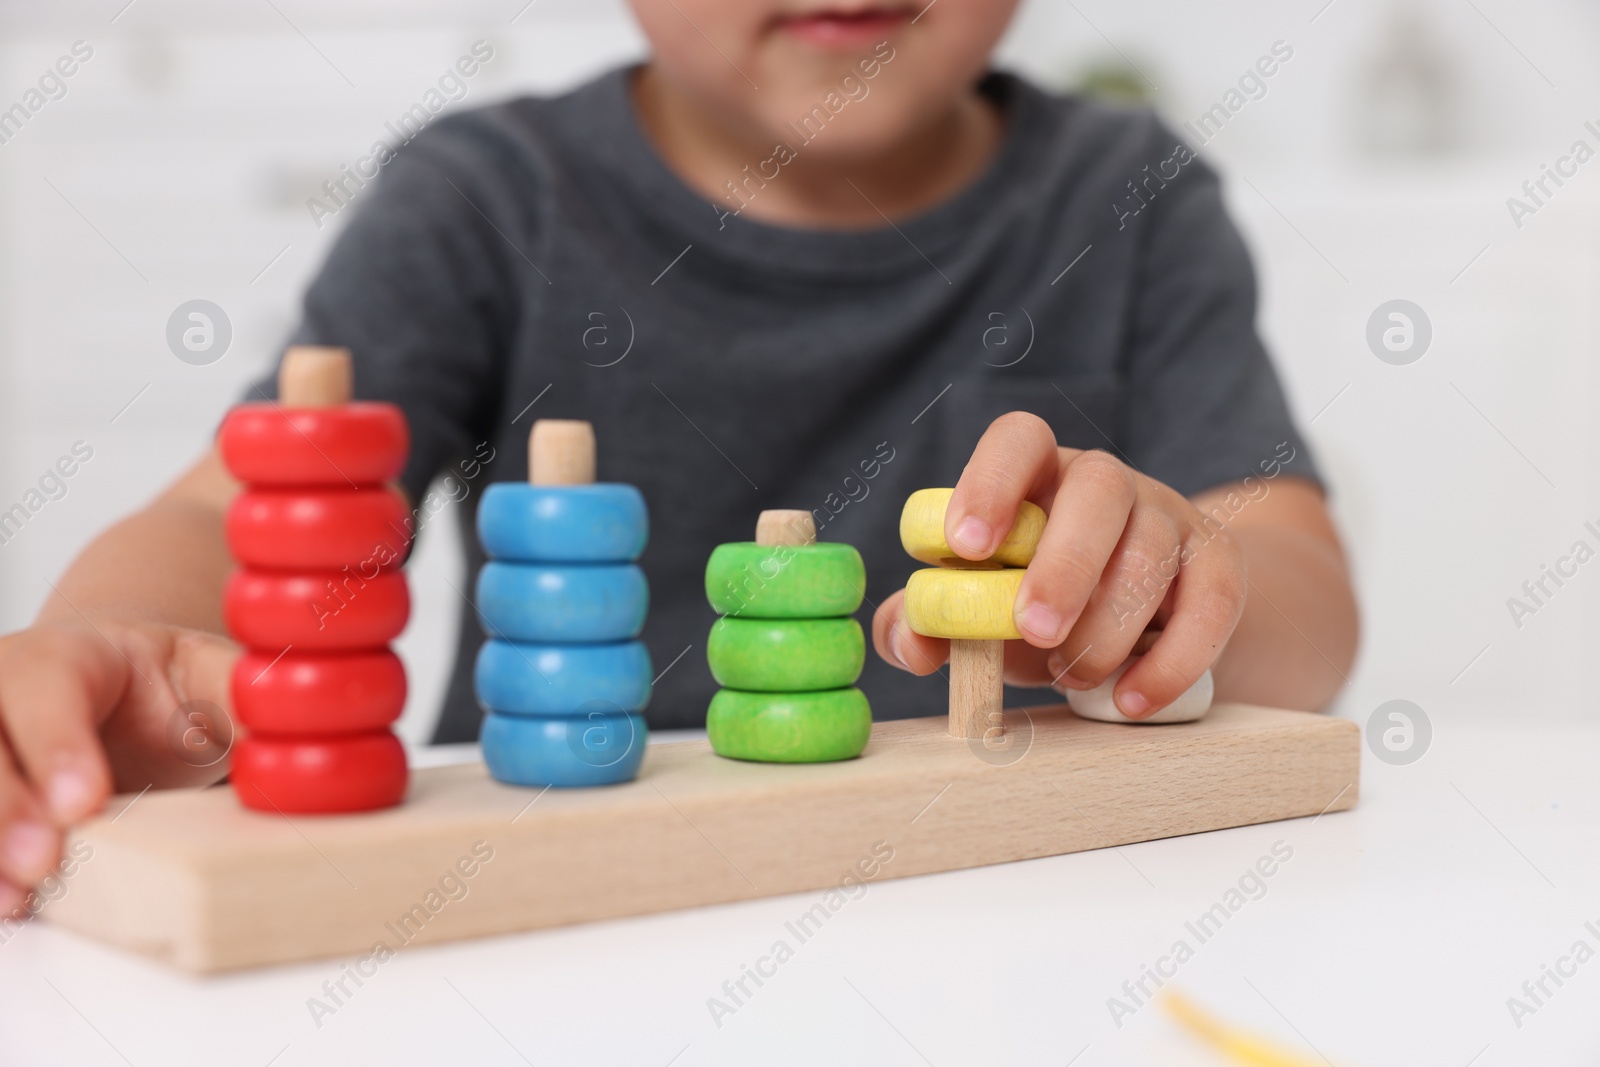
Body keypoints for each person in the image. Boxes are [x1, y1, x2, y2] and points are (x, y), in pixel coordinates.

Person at [0, 0, 1358, 910]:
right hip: (539, 923)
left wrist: (1180, 595)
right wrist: (118, 645)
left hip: (1006, 911)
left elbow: (1298, 594)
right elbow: (232, 512)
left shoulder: (1128, 198)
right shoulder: (483, 201)